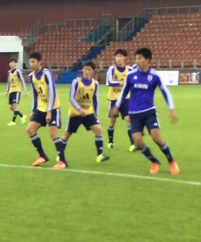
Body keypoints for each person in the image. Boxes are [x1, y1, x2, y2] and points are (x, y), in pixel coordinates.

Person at [112, 47, 180, 175]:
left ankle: (171, 161)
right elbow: (124, 92)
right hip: (134, 114)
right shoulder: (131, 75)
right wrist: (116, 106)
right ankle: (154, 161)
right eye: (136, 58)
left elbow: (165, 92)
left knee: (156, 138)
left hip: (149, 112)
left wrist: (171, 108)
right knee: (138, 143)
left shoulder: (154, 76)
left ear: (148, 60)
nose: (137, 61)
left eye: (140, 58)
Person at [54, 62, 110, 169]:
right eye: (85, 69)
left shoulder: (95, 84)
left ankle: (100, 155)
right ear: (82, 70)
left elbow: (95, 99)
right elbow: (71, 98)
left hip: (88, 112)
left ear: (93, 71)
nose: (87, 71)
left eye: (89, 69)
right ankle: (60, 155)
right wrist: (79, 109)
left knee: (98, 130)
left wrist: (97, 114)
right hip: (75, 113)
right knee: (66, 135)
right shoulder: (76, 82)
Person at [26, 52, 61, 167]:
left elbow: (53, 91)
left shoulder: (47, 74)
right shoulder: (31, 76)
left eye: (33, 62)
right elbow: (35, 94)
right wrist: (33, 109)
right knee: (30, 129)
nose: (31, 64)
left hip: (53, 107)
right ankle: (42, 156)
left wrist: (49, 111)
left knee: (53, 133)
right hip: (40, 108)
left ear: (39, 62)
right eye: (30, 62)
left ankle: (62, 160)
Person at [106, 49, 136, 152]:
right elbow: (109, 82)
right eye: (116, 56)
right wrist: (120, 82)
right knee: (112, 120)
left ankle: (132, 144)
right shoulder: (112, 69)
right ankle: (110, 142)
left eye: (120, 56)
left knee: (128, 119)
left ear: (125, 57)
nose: (118, 58)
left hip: (125, 98)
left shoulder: (130, 69)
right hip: (113, 98)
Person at [4, 57, 28, 126]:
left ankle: (13, 121)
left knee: (15, 106)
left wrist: (25, 90)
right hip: (11, 91)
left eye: (13, 63)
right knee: (11, 108)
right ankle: (22, 116)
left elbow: (22, 80)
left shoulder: (18, 72)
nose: (12, 64)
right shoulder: (9, 72)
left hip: (17, 91)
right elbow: (8, 82)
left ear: (15, 64)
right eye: (10, 63)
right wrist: (7, 91)